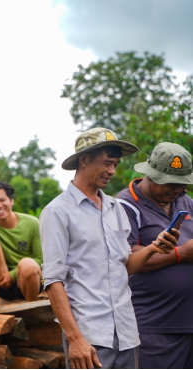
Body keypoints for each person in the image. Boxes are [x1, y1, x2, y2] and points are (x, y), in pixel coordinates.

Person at [40, 128, 180, 370]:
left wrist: (153, 248)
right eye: (107, 163)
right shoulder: (57, 212)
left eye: (115, 164)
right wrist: (75, 339)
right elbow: (54, 282)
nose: (112, 171)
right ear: (84, 160)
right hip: (89, 338)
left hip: (126, 334)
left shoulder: (115, 208)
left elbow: (124, 267)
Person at [115, 143, 193, 369]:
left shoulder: (185, 201)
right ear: (150, 176)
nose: (177, 190)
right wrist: (181, 254)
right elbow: (127, 260)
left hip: (188, 321)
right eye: (170, 183)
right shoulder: (125, 205)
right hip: (154, 325)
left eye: (182, 184)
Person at [0, 182, 42, 305]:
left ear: (11, 201)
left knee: (27, 264)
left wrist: (12, 275)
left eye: (2, 200)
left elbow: (41, 259)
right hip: (2, 281)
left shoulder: (32, 223)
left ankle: (32, 306)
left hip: (27, 281)